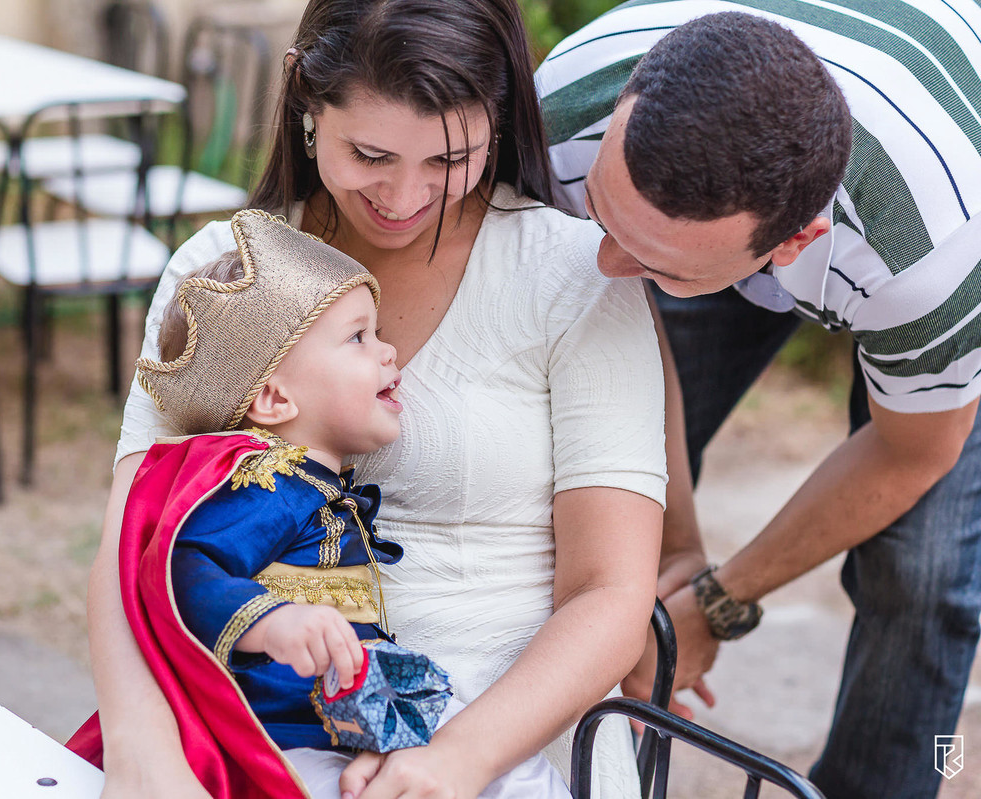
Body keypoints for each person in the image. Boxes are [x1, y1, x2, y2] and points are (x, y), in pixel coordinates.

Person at [87, 1, 668, 798]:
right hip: (258, 722)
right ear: (304, 100)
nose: (404, 195)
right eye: (370, 153)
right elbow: (136, 543)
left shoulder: (568, 276)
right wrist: (141, 749)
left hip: (507, 732)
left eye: (449, 159)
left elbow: (610, 592)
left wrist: (454, 760)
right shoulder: (230, 276)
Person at [535, 4, 981, 797]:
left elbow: (914, 452)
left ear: (792, 246)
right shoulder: (565, 106)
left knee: (925, 574)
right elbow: (621, 338)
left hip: (932, 189)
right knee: (583, 469)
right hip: (731, 217)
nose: (604, 262)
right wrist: (671, 543)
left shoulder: (934, 259)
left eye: (652, 259)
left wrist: (713, 601)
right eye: (603, 212)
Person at [69, 208, 570, 798]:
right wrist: (272, 619)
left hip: (344, 725)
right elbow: (184, 567)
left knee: (521, 774)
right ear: (276, 397)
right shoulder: (267, 485)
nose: (389, 353)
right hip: (282, 737)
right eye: (359, 337)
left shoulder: (318, 490)